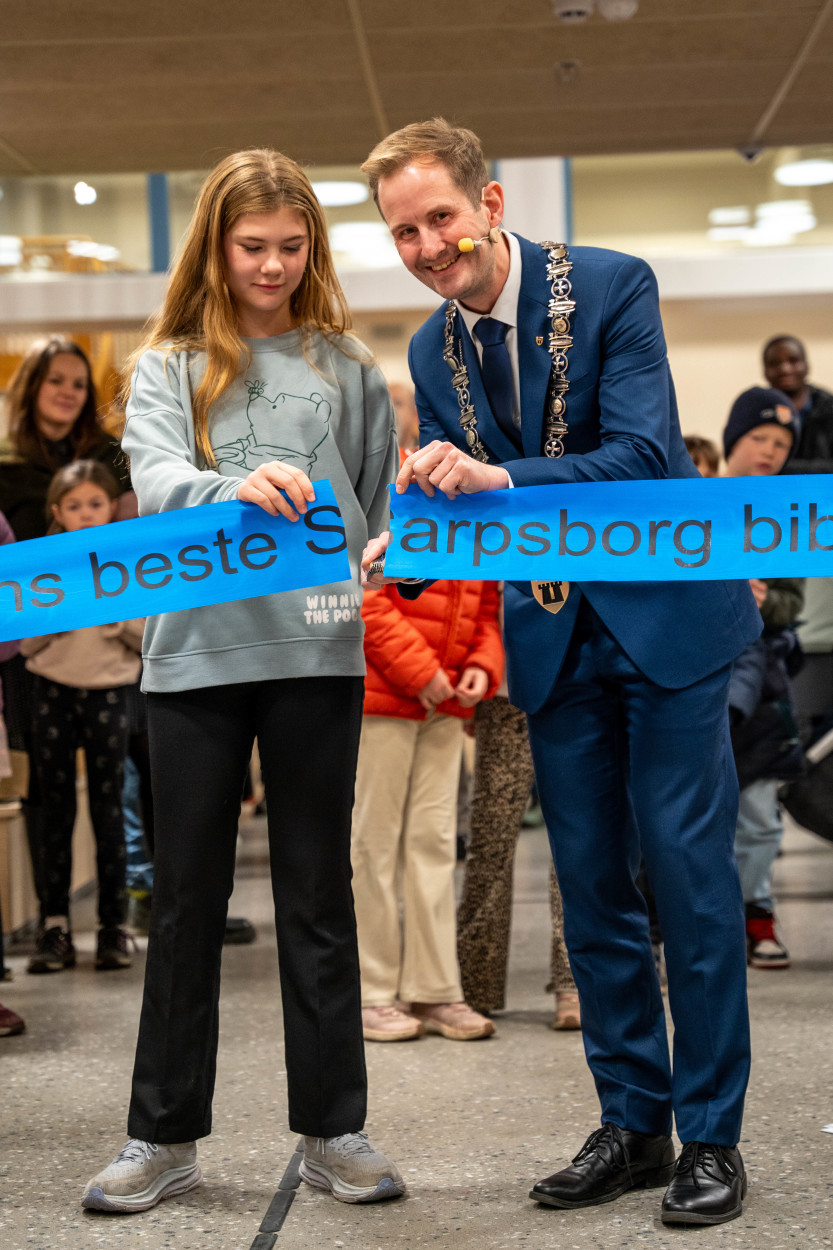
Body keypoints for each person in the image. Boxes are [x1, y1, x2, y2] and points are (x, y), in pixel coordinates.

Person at [360, 118, 761, 1227]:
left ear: (488, 205)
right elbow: (465, 508)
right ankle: (633, 1123)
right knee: (588, 896)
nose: (427, 245)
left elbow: (642, 455)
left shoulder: (613, 286)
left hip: (669, 628)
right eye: (402, 231)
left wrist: (494, 473)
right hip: (552, 642)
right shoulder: (424, 350)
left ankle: (712, 1136)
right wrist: (418, 533)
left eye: (439, 216)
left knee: (686, 881)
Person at [82, 148, 402, 1214]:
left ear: (312, 245)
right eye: (251, 245)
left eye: (290, 244)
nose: (271, 264)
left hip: (316, 650)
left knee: (320, 895)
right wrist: (233, 483)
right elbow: (159, 480)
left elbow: (364, 499)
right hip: (193, 663)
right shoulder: (170, 364)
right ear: (215, 247)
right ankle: (160, 1135)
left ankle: (333, 1128)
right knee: (184, 899)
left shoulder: (350, 367)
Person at [352, 471, 502, 1042]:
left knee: (436, 844)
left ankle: (435, 990)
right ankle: (371, 992)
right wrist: (424, 674)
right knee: (374, 844)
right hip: (386, 700)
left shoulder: (478, 510)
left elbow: (487, 603)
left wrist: (480, 669)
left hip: (446, 706)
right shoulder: (393, 504)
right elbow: (368, 603)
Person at [0, 337, 135, 933]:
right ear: (32, 386)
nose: (67, 392)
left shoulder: (110, 457)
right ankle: (48, 917)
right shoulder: (6, 465)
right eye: (56, 380)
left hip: (109, 657)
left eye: (78, 384)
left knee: (115, 795)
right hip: (33, 655)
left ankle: (119, 914)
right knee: (43, 796)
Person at [20, 461, 141, 974]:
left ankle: (113, 925)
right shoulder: (43, 564)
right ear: (57, 513)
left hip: (110, 689)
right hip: (52, 688)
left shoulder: (130, 559)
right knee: (54, 808)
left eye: (95, 504)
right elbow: (24, 643)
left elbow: (145, 637)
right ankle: (55, 925)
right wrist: (60, 618)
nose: (86, 515)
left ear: (112, 507)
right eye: (74, 507)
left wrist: (115, 622)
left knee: (109, 806)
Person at [723, 388, 804, 970]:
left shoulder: (785, 511)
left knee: (758, 814)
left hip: (762, 688)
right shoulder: (693, 499)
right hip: (696, 677)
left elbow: (790, 601)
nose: (770, 452)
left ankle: (756, 913)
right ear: (734, 441)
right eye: (760, 439)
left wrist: (762, 598)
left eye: (781, 444)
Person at [762, 335, 833, 474]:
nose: (785, 369)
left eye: (793, 361)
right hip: (770, 493)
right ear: (765, 372)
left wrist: (782, 468)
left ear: (806, 366)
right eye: (775, 363)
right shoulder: (755, 412)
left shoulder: (830, 408)